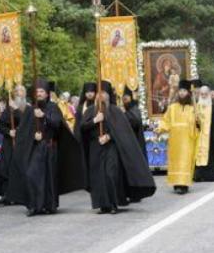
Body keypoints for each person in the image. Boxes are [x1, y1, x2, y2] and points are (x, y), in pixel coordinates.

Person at [81, 81, 156, 213]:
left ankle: (113, 203)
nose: (101, 96)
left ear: (108, 95)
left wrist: (109, 136)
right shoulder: (89, 111)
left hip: (111, 147)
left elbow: (121, 130)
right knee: (98, 176)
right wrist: (94, 121)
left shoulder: (115, 111)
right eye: (99, 93)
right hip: (95, 147)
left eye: (103, 93)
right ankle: (103, 205)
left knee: (111, 174)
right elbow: (82, 128)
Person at [22, 79, 85, 216]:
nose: (38, 94)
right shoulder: (30, 109)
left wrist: (43, 116)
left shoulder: (53, 107)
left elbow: (57, 124)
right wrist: (33, 135)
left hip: (49, 147)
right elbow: (25, 130)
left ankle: (48, 205)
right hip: (34, 148)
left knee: (48, 177)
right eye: (37, 92)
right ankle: (34, 205)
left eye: (41, 92)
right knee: (31, 174)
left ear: (47, 94)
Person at [157, 80, 198, 194]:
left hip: (187, 139)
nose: (182, 93)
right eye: (180, 91)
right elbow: (166, 120)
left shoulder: (193, 108)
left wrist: (198, 122)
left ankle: (184, 184)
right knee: (175, 161)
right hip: (175, 140)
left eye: (184, 91)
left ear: (188, 93)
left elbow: (199, 123)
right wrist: (160, 129)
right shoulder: (172, 107)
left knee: (185, 161)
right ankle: (176, 183)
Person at [194, 86, 214, 182]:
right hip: (199, 135)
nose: (203, 96)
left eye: (205, 94)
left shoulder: (213, 105)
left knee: (211, 156)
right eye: (201, 94)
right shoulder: (196, 106)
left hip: (210, 136)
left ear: (209, 94)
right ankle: (199, 175)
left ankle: (210, 175)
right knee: (198, 155)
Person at [121, 86, 148, 161]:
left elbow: (135, 122)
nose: (124, 99)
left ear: (131, 97)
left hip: (135, 141)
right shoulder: (127, 109)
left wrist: (124, 114)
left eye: (126, 97)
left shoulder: (134, 109)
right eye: (123, 98)